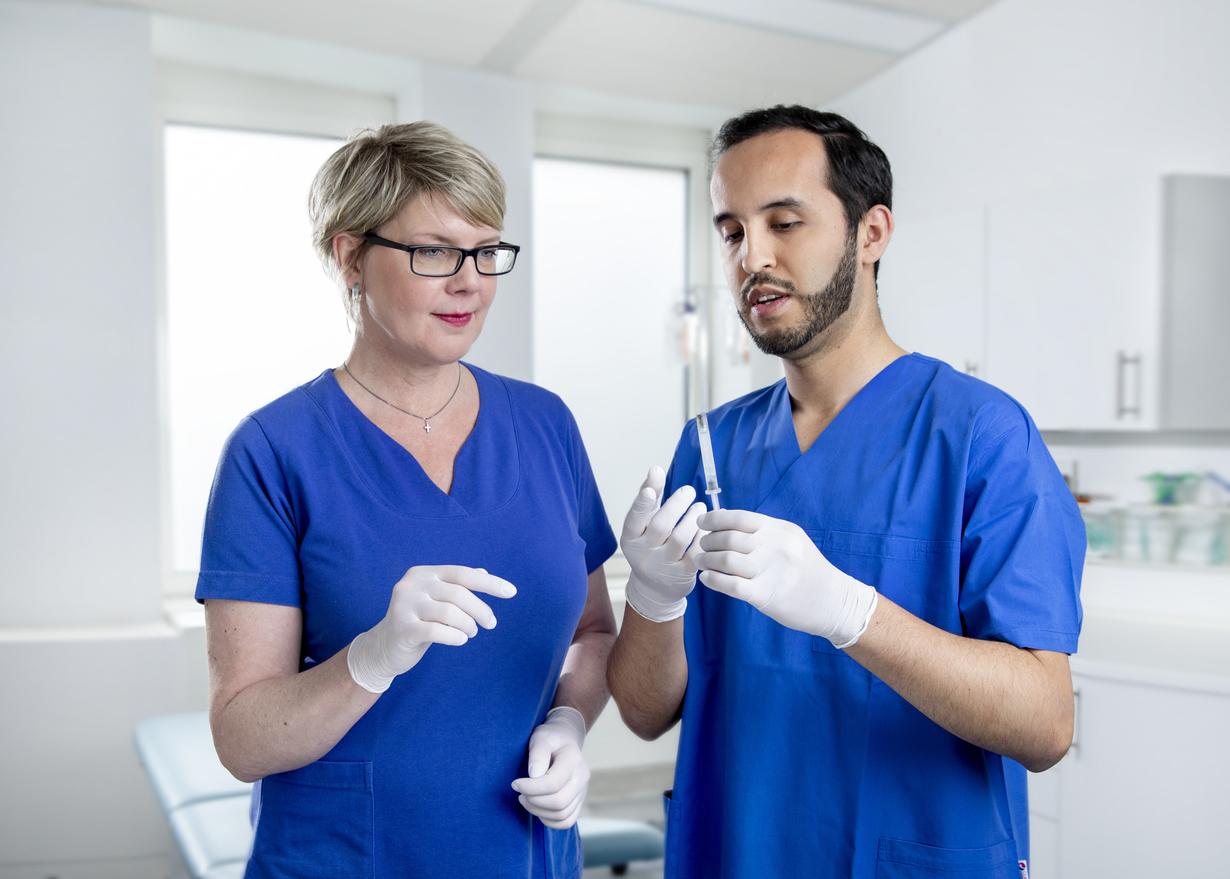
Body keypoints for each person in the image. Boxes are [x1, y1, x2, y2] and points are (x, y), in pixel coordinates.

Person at [607, 105, 1085, 879]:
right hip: (734, 850)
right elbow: (644, 709)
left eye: (784, 222)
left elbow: (1044, 723)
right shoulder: (711, 445)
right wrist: (655, 602)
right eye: (731, 231)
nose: (751, 257)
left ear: (872, 233)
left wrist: (851, 612)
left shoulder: (981, 437)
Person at [197, 121, 617, 878]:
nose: (471, 281)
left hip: (527, 855)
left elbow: (594, 630)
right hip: (345, 859)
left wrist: (569, 719)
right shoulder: (272, 451)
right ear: (350, 255)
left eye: (487, 251)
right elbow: (242, 737)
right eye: (434, 252)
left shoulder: (545, 423)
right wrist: (372, 657)